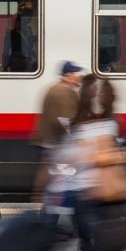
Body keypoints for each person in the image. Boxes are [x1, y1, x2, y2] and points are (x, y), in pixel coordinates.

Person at [59, 75, 126, 251]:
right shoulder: (109, 125)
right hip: (98, 195)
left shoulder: (76, 124)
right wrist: (113, 155)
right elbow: (112, 157)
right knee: (101, 249)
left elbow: (69, 159)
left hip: (81, 193)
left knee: (92, 245)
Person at [61, 78, 116, 251]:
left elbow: (74, 155)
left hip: (88, 187)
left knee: (87, 230)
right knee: (88, 231)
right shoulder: (107, 119)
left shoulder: (85, 119)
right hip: (94, 186)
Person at [33, 61, 83, 196]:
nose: (79, 77)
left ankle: (47, 208)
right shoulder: (63, 92)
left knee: (54, 178)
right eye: (77, 74)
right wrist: (75, 142)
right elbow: (66, 121)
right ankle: (48, 211)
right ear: (68, 76)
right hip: (56, 143)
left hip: (51, 142)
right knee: (56, 180)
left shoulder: (58, 89)